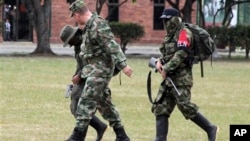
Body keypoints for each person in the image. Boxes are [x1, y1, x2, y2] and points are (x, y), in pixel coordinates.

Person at [66, 0, 133, 141]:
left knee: (85, 102)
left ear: (78, 14)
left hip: (100, 71)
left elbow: (112, 45)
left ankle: (76, 137)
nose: (74, 19)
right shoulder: (90, 26)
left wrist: (123, 65)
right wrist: (80, 73)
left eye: (74, 16)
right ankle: (122, 135)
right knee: (105, 105)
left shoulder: (98, 25)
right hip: (93, 70)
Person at [152, 8, 218, 141]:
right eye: (164, 20)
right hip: (169, 79)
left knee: (185, 106)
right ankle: (160, 139)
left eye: (167, 19)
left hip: (181, 78)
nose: (165, 22)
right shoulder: (170, 35)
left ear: (175, 19)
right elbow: (169, 54)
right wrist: (159, 61)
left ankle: (210, 128)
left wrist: (166, 68)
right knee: (160, 107)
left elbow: (181, 54)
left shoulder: (184, 33)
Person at [59, 25, 108, 141]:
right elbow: (81, 63)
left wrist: (80, 75)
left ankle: (78, 137)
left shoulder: (87, 43)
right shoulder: (77, 44)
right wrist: (76, 75)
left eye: (70, 40)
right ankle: (99, 126)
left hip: (93, 78)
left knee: (83, 108)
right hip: (82, 78)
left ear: (74, 36)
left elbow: (94, 62)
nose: (70, 44)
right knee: (74, 107)